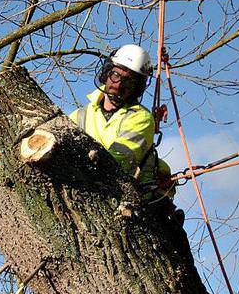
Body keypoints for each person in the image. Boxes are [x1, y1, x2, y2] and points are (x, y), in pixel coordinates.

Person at [70, 44, 178, 212]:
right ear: (106, 74)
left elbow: (118, 160)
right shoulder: (79, 116)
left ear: (137, 87)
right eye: (115, 75)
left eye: (128, 81)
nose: (119, 84)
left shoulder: (140, 118)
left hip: (132, 202)